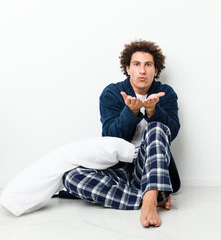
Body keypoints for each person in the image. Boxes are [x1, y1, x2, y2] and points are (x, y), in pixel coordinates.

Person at [62, 40, 181, 227]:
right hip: (119, 170)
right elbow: (109, 137)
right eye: (137, 64)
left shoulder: (165, 93)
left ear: (156, 71)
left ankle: (149, 202)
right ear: (128, 68)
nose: (142, 71)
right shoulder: (112, 93)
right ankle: (151, 196)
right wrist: (131, 113)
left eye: (148, 65)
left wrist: (153, 112)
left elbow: (171, 133)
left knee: (157, 128)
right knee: (71, 177)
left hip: (149, 168)